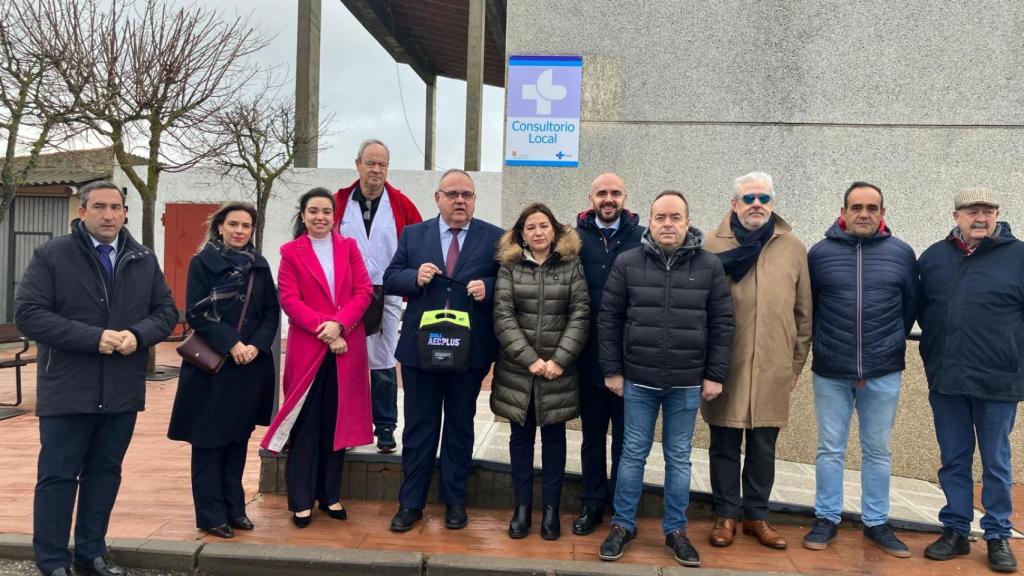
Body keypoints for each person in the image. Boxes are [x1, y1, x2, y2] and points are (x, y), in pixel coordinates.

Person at [15, 180, 177, 576]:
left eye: (115, 207)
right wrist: (94, 338)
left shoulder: (142, 258)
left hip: (121, 389)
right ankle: (53, 561)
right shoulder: (53, 254)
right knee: (57, 477)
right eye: (100, 207)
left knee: (104, 475)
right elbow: (30, 314)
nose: (108, 215)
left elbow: (166, 312)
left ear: (125, 213)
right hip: (67, 389)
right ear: (82, 211)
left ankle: (91, 554)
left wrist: (138, 335)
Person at [597, 191, 734, 567]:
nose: (668, 224)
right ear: (651, 221)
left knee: (679, 458)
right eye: (661, 217)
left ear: (688, 221)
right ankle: (623, 525)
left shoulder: (709, 265)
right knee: (632, 455)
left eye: (675, 217)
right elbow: (609, 318)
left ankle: (676, 531)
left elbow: (722, 323)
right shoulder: (628, 262)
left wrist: (715, 374)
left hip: (686, 383)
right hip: (638, 380)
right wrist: (612, 369)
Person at [384, 169, 503, 532]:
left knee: (459, 428)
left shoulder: (494, 237)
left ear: (474, 200)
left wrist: (489, 286)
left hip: (469, 353)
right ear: (438, 198)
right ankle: (410, 504)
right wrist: (414, 277)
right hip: (421, 352)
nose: (460, 201)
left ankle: (455, 502)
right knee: (419, 428)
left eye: (467, 194)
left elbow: (511, 282)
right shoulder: (413, 234)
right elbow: (390, 278)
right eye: (452, 194)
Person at [803, 182, 918, 557]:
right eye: (856, 207)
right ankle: (826, 519)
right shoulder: (819, 254)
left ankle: (876, 523)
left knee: (878, 451)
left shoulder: (902, 253)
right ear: (843, 212)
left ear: (883, 213)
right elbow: (810, 308)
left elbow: (909, 307)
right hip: (831, 371)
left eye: (872, 208)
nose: (864, 214)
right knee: (829, 450)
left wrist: (883, 348)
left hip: (883, 372)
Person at [703, 171, 812, 551]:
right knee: (724, 443)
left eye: (763, 199)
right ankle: (725, 515)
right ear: (734, 203)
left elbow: (804, 314)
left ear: (772, 203)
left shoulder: (792, 247)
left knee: (764, 446)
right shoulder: (711, 245)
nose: (756, 205)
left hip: (773, 366)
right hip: (726, 366)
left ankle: (756, 516)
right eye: (748, 198)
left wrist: (795, 366)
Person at [918, 187, 1021, 573]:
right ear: (956, 216)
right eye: (972, 211)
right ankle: (956, 531)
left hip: (998, 383)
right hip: (947, 380)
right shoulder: (934, 257)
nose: (980, 218)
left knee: (996, 462)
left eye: (987, 211)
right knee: (954, 460)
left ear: (997, 214)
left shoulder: (1019, 257)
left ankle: (997, 534)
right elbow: (922, 310)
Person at [261, 188, 374, 528]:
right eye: (313, 211)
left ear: (334, 216)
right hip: (309, 348)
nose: (320, 217)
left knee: (336, 423)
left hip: (346, 348)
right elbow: (289, 299)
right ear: (303, 215)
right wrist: (325, 329)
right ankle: (301, 499)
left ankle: (329, 495)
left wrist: (340, 325)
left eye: (326, 211)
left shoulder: (349, 247)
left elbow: (364, 291)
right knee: (306, 425)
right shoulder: (291, 252)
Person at [166, 202, 281, 539]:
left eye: (246, 225)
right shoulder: (203, 262)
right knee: (208, 441)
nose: (240, 231)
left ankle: (235, 509)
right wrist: (232, 343)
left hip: (249, 366)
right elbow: (197, 313)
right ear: (220, 227)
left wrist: (256, 346)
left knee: (237, 439)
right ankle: (210, 514)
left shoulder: (259, 265)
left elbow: (270, 312)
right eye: (233, 224)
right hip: (212, 366)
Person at [492, 203, 589, 540]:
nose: (538, 232)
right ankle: (521, 509)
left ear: (554, 230)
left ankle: (551, 510)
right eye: (531, 227)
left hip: (557, 372)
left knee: (554, 442)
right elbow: (503, 315)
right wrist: (530, 359)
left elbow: (580, 313)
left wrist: (559, 359)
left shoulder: (571, 265)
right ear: (522, 234)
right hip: (519, 371)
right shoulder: (509, 266)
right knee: (520, 442)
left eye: (544, 226)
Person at [335, 140, 423, 453]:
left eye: (382, 164)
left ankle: (385, 427)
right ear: (358, 164)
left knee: (383, 361)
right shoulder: (339, 202)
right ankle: (346, 427)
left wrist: (412, 285)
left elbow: (419, 245)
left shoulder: (401, 204)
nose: (376, 169)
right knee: (347, 360)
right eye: (370, 163)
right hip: (347, 293)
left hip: (388, 292)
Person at [572, 172, 644, 536]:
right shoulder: (573, 239)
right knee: (592, 437)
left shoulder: (642, 237)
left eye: (615, 192)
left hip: (631, 357)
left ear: (625, 197)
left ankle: (621, 507)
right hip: (588, 356)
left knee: (626, 441)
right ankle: (592, 503)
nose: (608, 198)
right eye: (602, 193)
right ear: (591, 198)